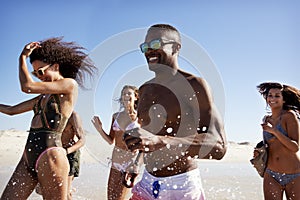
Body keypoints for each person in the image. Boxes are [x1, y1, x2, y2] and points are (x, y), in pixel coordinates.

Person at [122, 24, 227, 200]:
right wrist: (136, 164)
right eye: (145, 47)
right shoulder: (145, 90)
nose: (149, 51)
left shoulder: (194, 86)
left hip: (180, 186)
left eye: (156, 44)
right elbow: (149, 139)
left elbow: (218, 146)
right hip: (147, 183)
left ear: (176, 47)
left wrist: (161, 141)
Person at [0, 37, 96, 199]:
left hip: (51, 155)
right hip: (27, 157)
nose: (39, 76)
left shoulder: (69, 85)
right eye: (35, 73)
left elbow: (27, 87)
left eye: (41, 71)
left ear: (55, 66)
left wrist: (22, 57)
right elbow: (11, 110)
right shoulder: (41, 97)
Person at [92, 85, 141, 200]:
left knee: (120, 197)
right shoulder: (116, 116)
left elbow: (143, 144)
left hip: (130, 162)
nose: (126, 95)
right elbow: (111, 140)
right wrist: (100, 129)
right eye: (124, 93)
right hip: (115, 161)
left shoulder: (140, 118)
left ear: (136, 97)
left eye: (129, 93)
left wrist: (136, 164)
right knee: (110, 197)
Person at [256, 82, 300, 200]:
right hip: (271, 173)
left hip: (294, 175)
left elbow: (294, 147)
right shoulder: (266, 119)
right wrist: (259, 151)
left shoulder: (289, 116)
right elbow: (271, 145)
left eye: (277, 96)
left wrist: (274, 131)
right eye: (270, 95)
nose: (272, 98)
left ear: (283, 100)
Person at [35, 111, 85, 200]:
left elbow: (82, 140)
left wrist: (66, 151)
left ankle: (69, 190)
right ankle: (69, 190)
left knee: (65, 193)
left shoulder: (73, 116)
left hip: (69, 153)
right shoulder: (48, 114)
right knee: (41, 190)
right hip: (52, 153)